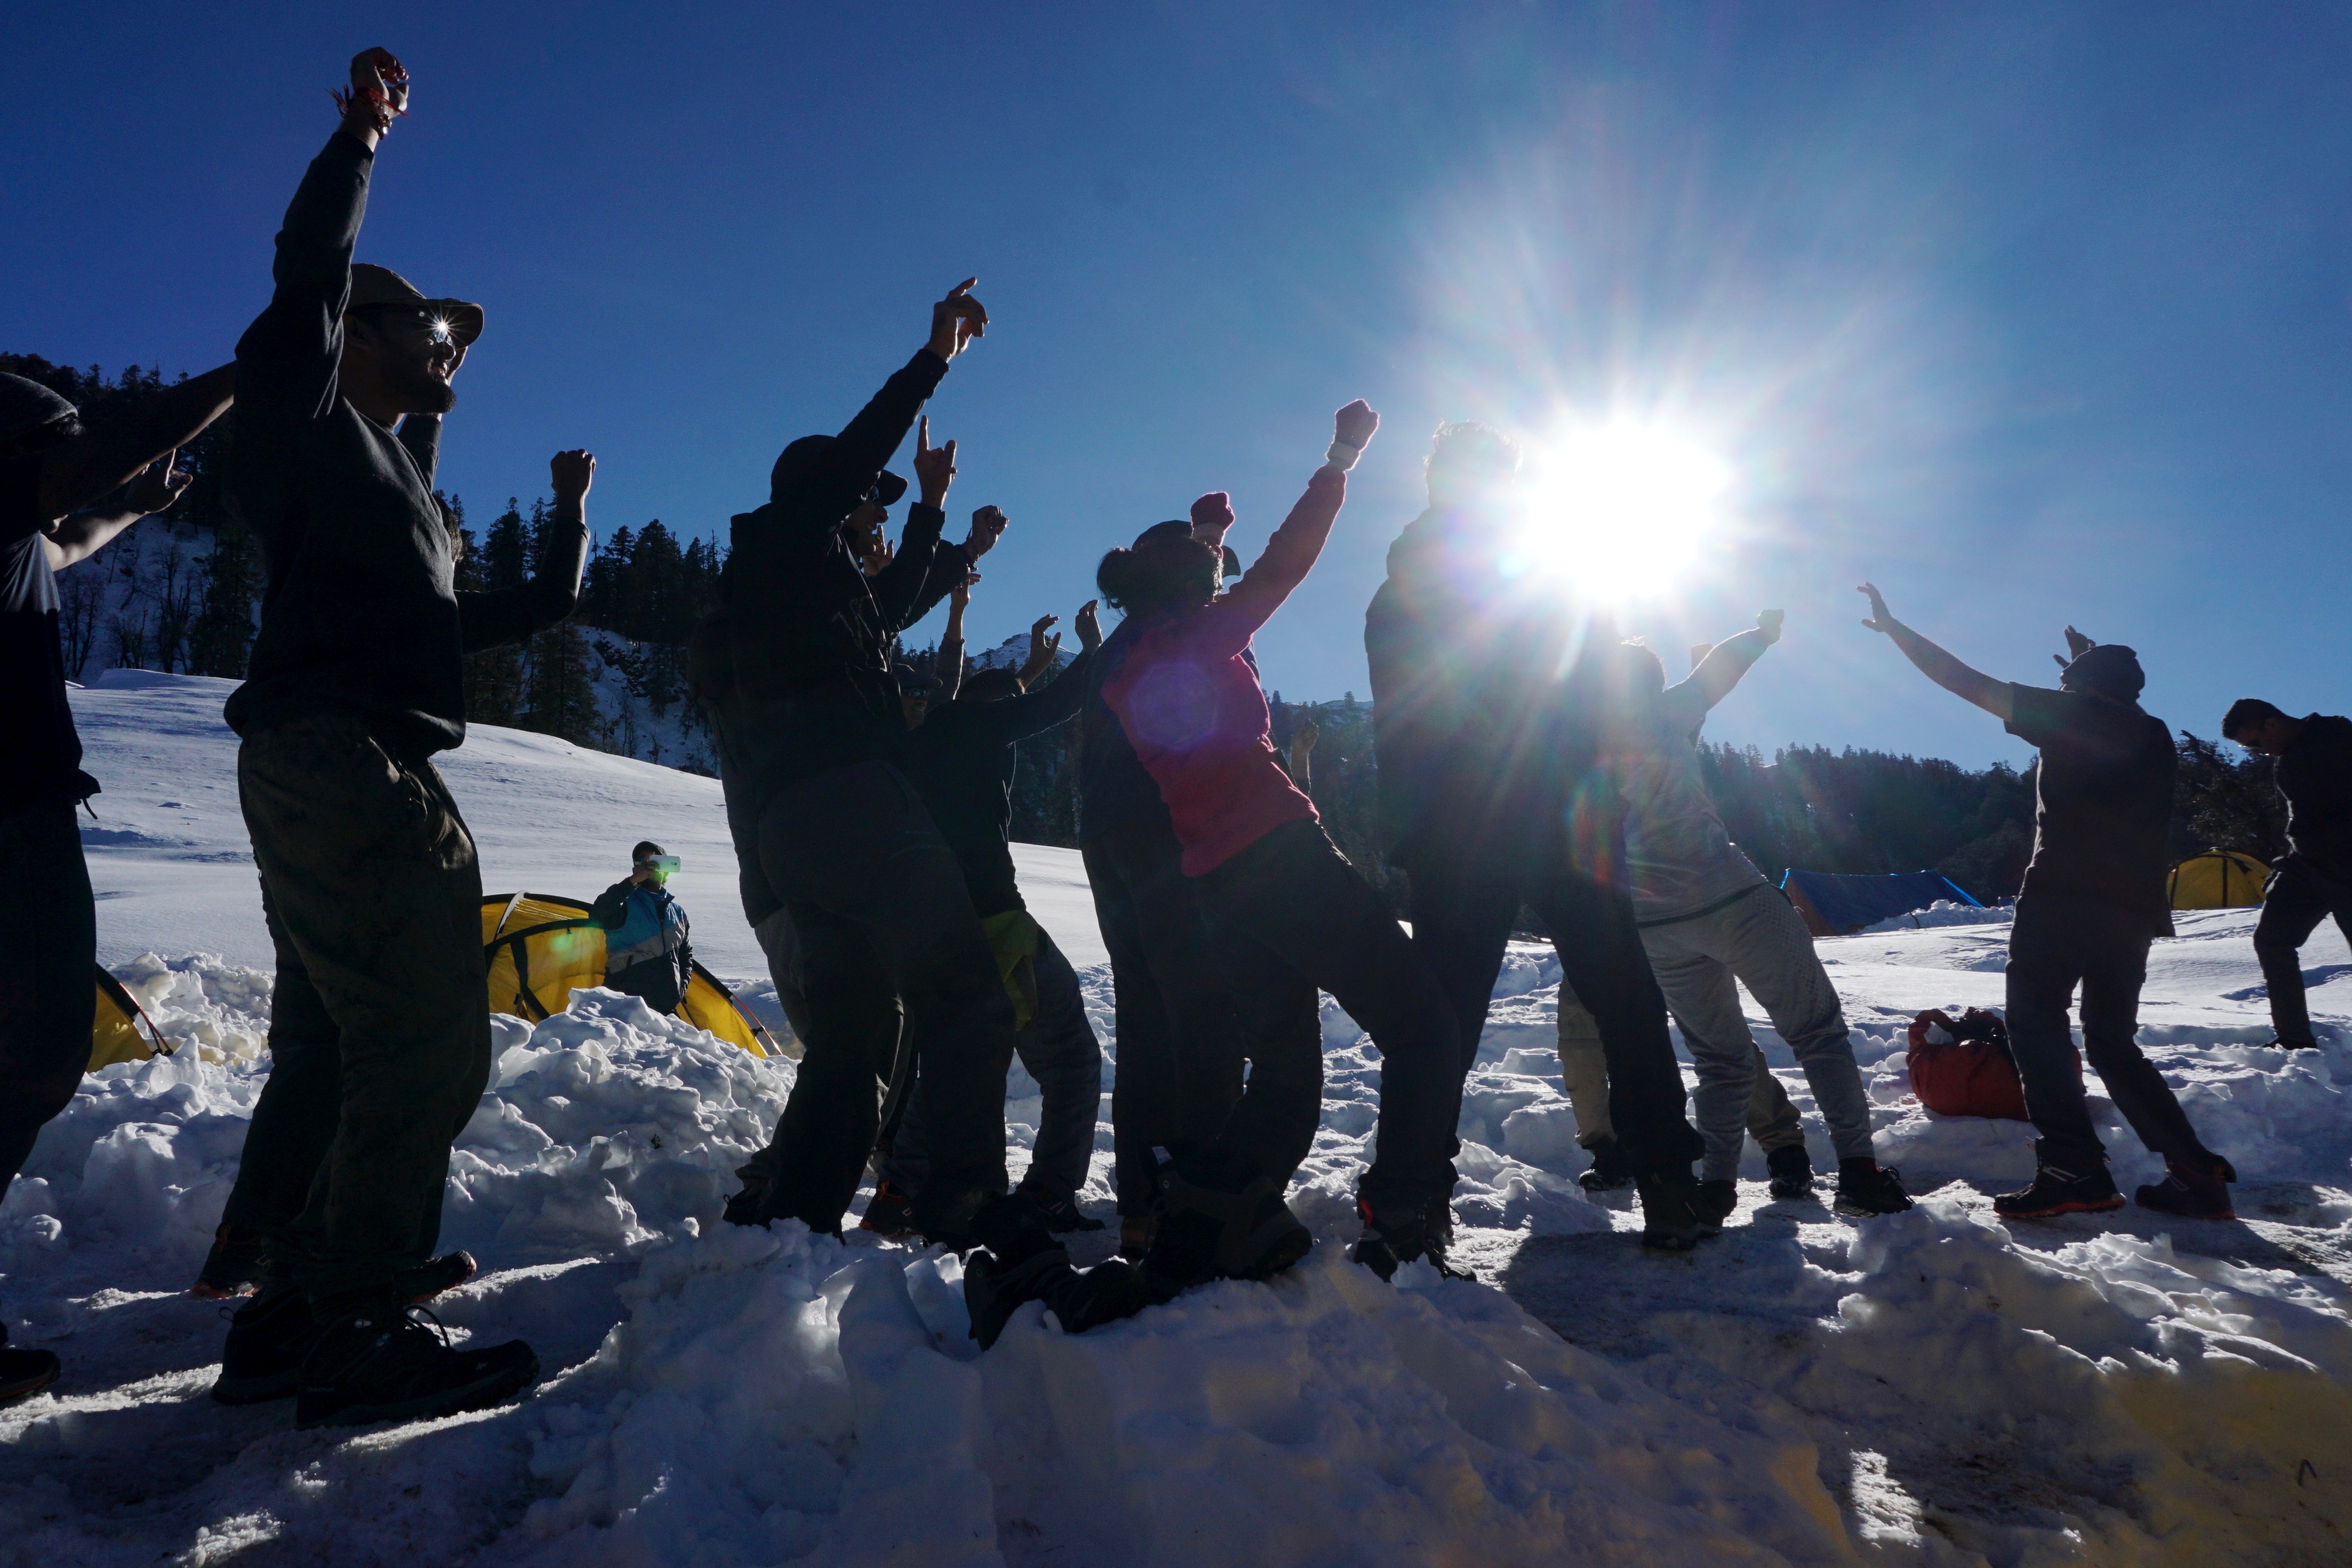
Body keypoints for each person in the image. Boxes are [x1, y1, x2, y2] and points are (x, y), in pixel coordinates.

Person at [205, 49, 593, 1428]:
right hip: (341, 763)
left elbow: (522, 605)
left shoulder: (388, 480)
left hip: (349, 763)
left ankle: (296, 1310)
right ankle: (355, 1322)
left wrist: (566, 513)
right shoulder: (305, 408)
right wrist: (361, 142)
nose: (445, 345)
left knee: (354, 1041)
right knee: (428, 1044)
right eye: (423, 327)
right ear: (355, 337)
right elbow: (308, 282)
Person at [694, 279, 1141, 1349]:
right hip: (851, 806)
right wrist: (932, 360)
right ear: (825, 498)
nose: (876, 516)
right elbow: (842, 478)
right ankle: (979, 1221)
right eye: (871, 504)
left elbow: (890, 604)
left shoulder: (798, 594)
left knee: (854, 1035)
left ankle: (789, 1227)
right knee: (968, 992)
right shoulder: (782, 542)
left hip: (797, 835)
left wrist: (942, 521)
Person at [1099, 399, 1465, 1293]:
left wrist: (1203, 541)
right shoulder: (1200, 638)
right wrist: (1339, 460)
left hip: (1217, 886)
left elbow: (1199, 589)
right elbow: (1283, 565)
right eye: (1206, 577)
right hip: (1282, 860)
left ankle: (1207, 1215)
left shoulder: (1131, 664)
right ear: (1190, 591)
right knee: (1422, 1027)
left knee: (1285, 1071)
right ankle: (1401, 1215)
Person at [1364, 421, 1708, 1250]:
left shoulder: (1403, 588)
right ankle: (1666, 1183)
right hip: (1552, 813)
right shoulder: (1543, 580)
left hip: (1465, 824)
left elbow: (1407, 717)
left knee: (1445, 1014)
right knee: (1621, 997)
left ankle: (1411, 1199)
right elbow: (1606, 682)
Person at [0, 362, 236, 1405]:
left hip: (29, 818)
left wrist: (133, 508)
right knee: (37, 1052)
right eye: (59, 450)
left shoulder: (20, 543)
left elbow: (75, 536)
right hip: (11, 825)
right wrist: (257, 366)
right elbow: (122, 443)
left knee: (34, 1057)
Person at [1858, 583, 2233, 1219]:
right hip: (2132, 908)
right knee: (2111, 1042)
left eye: (2068, 684)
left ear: (2083, 689)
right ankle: (2194, 1170)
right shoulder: (2152, 733)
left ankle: (2073, 1167)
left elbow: (1964, 681)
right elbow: (2105, 697)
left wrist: (1898, 632)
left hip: (2062, 897)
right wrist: (2087, 664)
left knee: (2036, 1027)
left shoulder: (2073, 714)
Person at [1600, 623, 1911, 1221]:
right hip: (1729, 895)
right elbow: (1720, 669)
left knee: (1719, 1059)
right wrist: (1761, 633)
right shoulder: (1664, 713)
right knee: (1817, 1032)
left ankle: (1716, 1187)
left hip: (1655, 922)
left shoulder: (1584, 743)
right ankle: (1858, 1173)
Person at [868, 597, 1108, 1236]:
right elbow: (1051, 707)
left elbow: (998, 701)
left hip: (925, 930)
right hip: (994, 923)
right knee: (1071, 1060)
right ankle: (1049, 1191)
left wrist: (1025, 672)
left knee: (956, 1056)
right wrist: (1093, 650)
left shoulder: (910, 749)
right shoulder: (971, 727)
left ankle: (897, 1191)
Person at [2221, 698, 2352, 1051]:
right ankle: (2294, 1039)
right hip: (2307, 866)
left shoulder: (2339, 737)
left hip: (2345, 867)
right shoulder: (2288, 756)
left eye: (2254, 743)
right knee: (2272, 941)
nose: (2257, 752)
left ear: (2271, 724)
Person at [592, 843, 693, 1014]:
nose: (650, 865)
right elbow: (598, 914)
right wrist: (631, 882)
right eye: (642, 861)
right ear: (636, 868)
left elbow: (685, 953)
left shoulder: (678, 912)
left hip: (666, 1008)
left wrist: (681, 987)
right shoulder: (624, 904)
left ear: (666, 869)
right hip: (623, 1007)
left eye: (656, 860)